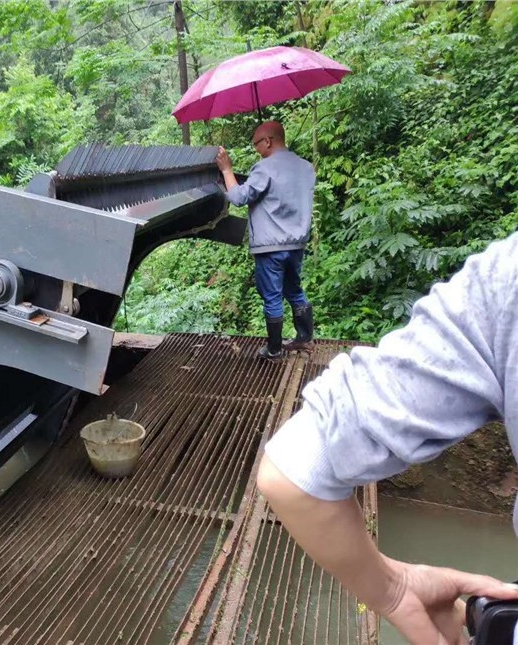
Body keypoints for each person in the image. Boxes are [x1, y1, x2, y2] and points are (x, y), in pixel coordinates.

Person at [256, 231, 518, 644]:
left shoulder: (506, 285)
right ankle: (298, 338)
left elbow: (296, 465)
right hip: (290, 247)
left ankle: (278, 346)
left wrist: (392, 590)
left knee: (275, 292)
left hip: (273, 248)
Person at [216, 120, 316, 359]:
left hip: (270, 246)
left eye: (256, 144)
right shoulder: (305, 167)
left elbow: (239, 197)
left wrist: (227, 170)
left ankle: (274, 348)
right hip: (297, 243)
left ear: (268, 141)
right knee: (294, 289)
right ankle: (304, 337)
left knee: (271, 296)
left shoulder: (264, 168)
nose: (256, 149)